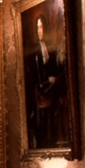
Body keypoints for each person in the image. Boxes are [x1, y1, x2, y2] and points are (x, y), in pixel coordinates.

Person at [26, 13, 67, 149]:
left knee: (54, 117)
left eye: (42, 27)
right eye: (37, 28)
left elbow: (53, 66)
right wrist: (45, 81)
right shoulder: (33, 50)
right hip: (41, 89)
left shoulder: (50, 48)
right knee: (43, 121)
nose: (40, 31)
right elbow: (33, 73)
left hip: (52, 88)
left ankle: (55, 141)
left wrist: (53, 77)